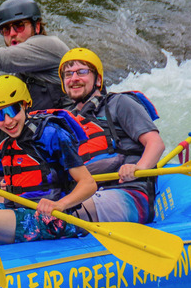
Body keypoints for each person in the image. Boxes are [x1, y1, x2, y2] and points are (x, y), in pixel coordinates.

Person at [0, 75, 97, 244]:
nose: (8, 121)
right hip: (18, 212)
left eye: (12, 110)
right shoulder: (6, 143)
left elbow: (88, 184)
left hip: (54, 219)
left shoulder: (51, 134)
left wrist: (59, 204)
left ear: (25, 105)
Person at [58, 47, 166, 224]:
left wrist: (138, 168)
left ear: (98, 79)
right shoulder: (63, 120)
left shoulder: (119, 103)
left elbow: (155, 143)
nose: (74, 78)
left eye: (82, 72)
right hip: (82, 194)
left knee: (55, 216)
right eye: (68, 74)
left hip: (127, 193)